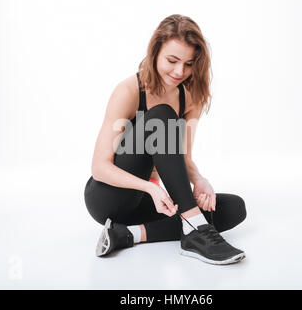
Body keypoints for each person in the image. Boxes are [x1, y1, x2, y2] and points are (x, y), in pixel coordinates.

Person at [84, 14, 247, 265]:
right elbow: (100, 167)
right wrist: (150, 187)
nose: (180, 71)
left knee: (233, 207)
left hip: (149, 203)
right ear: (155, 51)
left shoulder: (190, 98)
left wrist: (199, 180)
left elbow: (183, 157)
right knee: (161, 114)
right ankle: (195, 228)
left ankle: (128, 234)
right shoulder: (128, 91)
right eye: (172, 60)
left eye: (189, 63)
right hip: (109, 196)